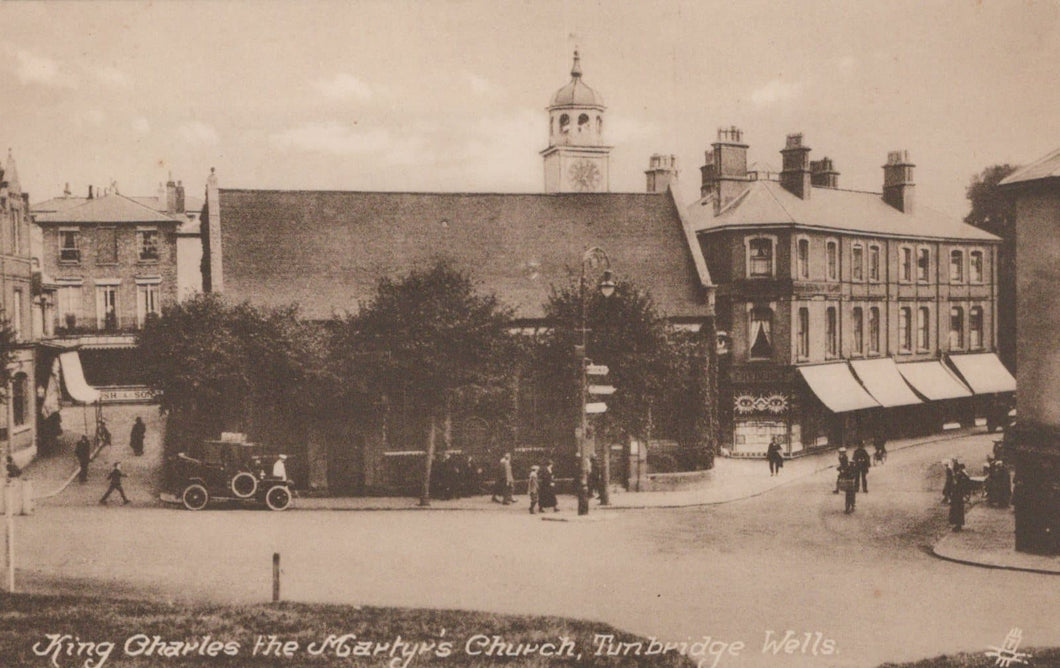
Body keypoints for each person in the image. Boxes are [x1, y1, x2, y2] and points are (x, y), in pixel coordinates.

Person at [949, 462, 970, 531]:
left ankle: (957, 525)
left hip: (957, 496)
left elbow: (957, 486)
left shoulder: (959, 476)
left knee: (956, 510)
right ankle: (958, 525)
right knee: (959, 510)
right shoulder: (963, 475)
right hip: (958, 495)